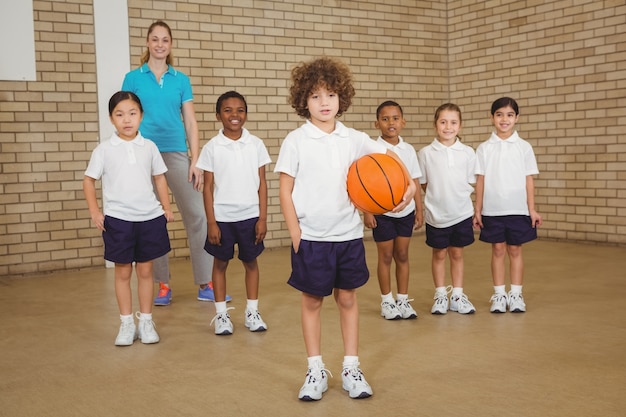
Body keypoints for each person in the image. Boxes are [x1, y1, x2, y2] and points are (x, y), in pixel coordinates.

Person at [274, 57, 416, 401]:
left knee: (348, 299)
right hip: (311, 238)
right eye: (316, 96)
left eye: (331, 95)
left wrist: (407, 188)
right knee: (312, 302)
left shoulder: (353, 138)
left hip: (348, 236)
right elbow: (284, 188)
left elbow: (392, 162)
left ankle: (351, 367)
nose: (324, 103)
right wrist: (295, 233)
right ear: (303, 101)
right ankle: (315, 369)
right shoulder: (296, 140)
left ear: (342, 98)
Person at [121, 20, 230, 305]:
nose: (159, 44)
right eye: (154, 39)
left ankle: (205, 282)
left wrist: (195, 159)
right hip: (144, 153)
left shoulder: (180, 79)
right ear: (147, 43)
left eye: (165, 40)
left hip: (175, 152)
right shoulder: (133, 78)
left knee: (198, 215)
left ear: (170, 45)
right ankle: (163, 285)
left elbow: (191, 121)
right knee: (153, 219)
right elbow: (125, 115)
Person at [83, 91, 174, 346]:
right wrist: (95, 211)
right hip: (119, 220)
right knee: (123, 272)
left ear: (141, 116)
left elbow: (159, 176)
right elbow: (88, 181)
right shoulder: (104, 149)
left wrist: (166, 207)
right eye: (119, 114)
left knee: (146, 272)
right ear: (111, 119)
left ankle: (145, 321)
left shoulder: (149, 146)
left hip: (149, 218)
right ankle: (126, 323)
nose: (127, 120)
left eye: (132, 113)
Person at [197, 91, 271, 335]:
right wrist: (211, 222)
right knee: (220, 264)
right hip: (222, 219)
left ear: (246, 114)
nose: (234, 115)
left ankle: (252, 311)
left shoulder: (256, 144)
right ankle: (221, 315)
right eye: (228, 110)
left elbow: (262, 183)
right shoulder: (212, 147)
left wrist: (262, 218)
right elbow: (207, 187)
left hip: (250, 217)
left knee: (251, 262)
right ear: (218, 115)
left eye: (240, 110)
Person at [473, 97, 543, 313]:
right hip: (493, 209)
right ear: (492, 117)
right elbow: (481, 180)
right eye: (500, 114)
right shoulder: (484, 148)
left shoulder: (524, 147)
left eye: (510, 115)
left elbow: (528, 179)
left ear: (517, 118)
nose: (505, 119)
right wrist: (478, 210)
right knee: (498, 251)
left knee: (515, 250)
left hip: (517, 209)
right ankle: (499, 295)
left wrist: (531, 208)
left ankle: (516, 294)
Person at [363, 101, 423, 320]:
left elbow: (414, 180)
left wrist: (419, 208)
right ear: (377, 123)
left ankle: (403, 300)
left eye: (395, 118)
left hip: (405, 212)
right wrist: (367, 211)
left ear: (403, 122)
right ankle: (387, 301)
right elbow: (364, 183)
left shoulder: (408, 150)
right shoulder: (371, 149)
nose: (391, 123)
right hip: (382, 212)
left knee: (403, 254)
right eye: (385, 118)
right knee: (386, 255)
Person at [418, 103, 477, 315]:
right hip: (437, 215)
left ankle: (458, 296)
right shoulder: (426, 153)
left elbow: (470, 181)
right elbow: (424, 183)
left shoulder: (468, 152)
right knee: (439, 254)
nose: (448, 127)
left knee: (457, 254)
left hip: (461, 213)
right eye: (443, 122)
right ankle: (441, 295)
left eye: (453, 122)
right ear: (435, 125)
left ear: (460, 126)